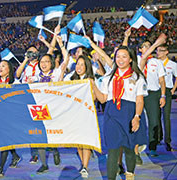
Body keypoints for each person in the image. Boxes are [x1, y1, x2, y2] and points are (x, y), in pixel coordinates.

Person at [91, 46, 148, 180]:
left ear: (130, 59)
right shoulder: (108, 77)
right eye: (118, 56)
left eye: (124, 56)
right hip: (112, 114)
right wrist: (94, 86)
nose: (120, 59)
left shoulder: (137, 77)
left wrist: (137, 117)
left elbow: (139, 100)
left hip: (130, 114)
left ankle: (130, 175)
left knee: (129, 148)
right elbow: (103, 99)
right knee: (113, 149)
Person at [32, 35, 69, 174]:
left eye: (47, 61)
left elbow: (66, 59)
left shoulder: (57, 73)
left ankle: (54, 150)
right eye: (42, 61)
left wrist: (60, 43)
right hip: (39, 108)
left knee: (52, 135)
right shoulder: (36, 76)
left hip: (54, 108)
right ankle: (43, 164)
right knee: (39, 136)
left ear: (51, 63)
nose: (44, 64)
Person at [64, 55, 95, 178]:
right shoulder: (71, 79)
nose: (79, 67)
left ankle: (85, 166)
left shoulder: (91, 80)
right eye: (78, 64)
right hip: (74, 114)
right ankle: (83, 163)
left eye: (82, 64)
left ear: (87, 67)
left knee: (85, 141)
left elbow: (95, 98)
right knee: (78, 142)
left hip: (87, 114)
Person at [156, 44, 177, 151]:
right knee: (157, 116)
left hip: (167, 91)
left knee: (166, 117)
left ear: (166, 52)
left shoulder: (172, 64)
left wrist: (173, 89)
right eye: (157, 50)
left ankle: (167, 141)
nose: (158, 52)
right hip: (157, 91)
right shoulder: (155, 63)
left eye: (160, 50)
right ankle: (158, 137)